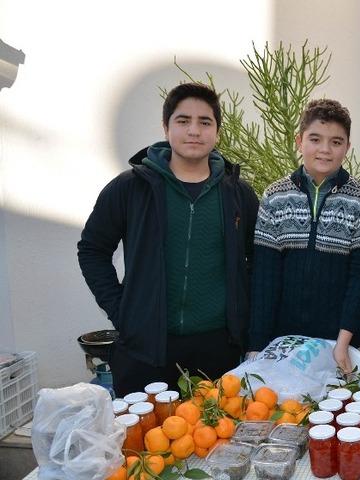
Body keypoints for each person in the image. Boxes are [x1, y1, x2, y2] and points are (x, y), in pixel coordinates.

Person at [78, 83, 259, 396]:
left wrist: (242, 317)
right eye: (183, 120)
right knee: (143, 440)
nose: (194, 130)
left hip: (217, 350)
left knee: (214, 440)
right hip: (146, 347)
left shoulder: (237, 194)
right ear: (166, 127)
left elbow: (259, 260)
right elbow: (92, 250)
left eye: (205, 122)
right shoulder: (131, 188)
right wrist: (123, 311)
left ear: (217, 131)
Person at [247, 99, 360, 371]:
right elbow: (264, 277)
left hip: (338, 342)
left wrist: (344, 342)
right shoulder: (275, 197)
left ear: (347, 146)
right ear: (300, 141)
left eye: (336, 141)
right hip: (283, 341)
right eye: (315, 139)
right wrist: (257, 346)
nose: (325, 149)